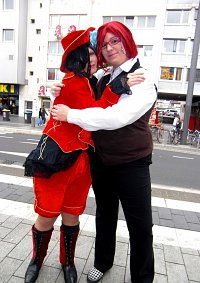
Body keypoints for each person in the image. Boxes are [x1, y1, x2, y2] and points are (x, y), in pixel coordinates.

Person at [51, 21, 157, 283]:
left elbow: (114, 117)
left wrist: (71, 114)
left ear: (127, 40)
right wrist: (59, 90)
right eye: (104, 44)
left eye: (115, 41)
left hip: (132, 163)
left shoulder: (142, 77)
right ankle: (102, 261)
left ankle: (142, 278)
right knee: (105, 215)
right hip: (101, 161)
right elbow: (81, 88)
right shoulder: (103, 77)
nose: (109, 48)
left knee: (140, 226)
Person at [23, 27, 131, 283]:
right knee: (46, 216)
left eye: (95, 53)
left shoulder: (88, 81)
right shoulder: (72, 83)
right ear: (78, 57)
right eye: (90, 53)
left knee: (72, 215)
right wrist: (118, 87)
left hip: (81, 162)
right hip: (57, 162)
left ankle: (67, 262)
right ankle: (36, 261)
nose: (95, 58)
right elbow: (96, 110)